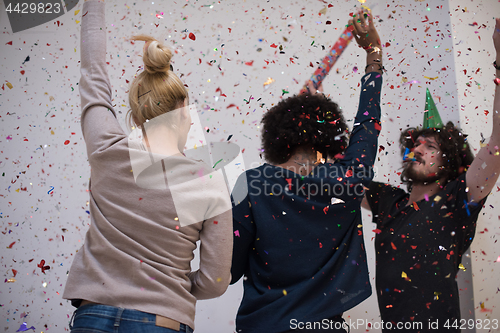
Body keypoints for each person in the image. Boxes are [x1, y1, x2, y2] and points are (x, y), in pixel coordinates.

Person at [62, 0, 233, 332]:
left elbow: (92, 72)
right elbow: (215, 280)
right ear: (184, 109)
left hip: (93, 316)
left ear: (136, 115)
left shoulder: (105, 149)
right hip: (162, 321)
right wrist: (170, 288)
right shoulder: (207, 182)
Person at [230, 9, 383, 333]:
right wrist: (373, 54)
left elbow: (228, 271)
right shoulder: (346, 181)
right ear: (329, 138)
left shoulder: (252, 183)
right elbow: (367, 125)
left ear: (277, 137)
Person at [361, 17, 500, 333]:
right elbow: (341, 178)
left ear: (449, 160)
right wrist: (373, 56)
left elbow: (498, 140)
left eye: (430, 146)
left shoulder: (457, 200)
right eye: (415, 144)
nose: (417, 150)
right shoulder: (389, 202)